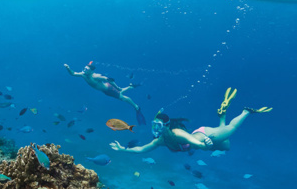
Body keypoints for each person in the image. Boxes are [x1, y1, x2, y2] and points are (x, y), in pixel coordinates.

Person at [109, 88, 272, 153]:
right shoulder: (160, 140)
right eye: (154, 125)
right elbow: (142, 149)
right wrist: (123, 149)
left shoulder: (176, 132)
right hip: (202, 138)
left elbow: (193, 141)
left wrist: (204, 145)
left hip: (206, 135)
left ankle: (245, 112)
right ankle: (222, 114)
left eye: (158, 126)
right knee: (227, 146)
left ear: (166, 125)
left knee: (231, 128)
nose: (155, 129)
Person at [64, 61, 146, 125]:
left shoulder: (95, 76)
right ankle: (130, 87)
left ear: (91, 71)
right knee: (119, 94)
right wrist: (68, 68)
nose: (84, 70)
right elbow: (73, 73)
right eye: (84, 68)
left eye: (87, 69)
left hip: (109, 89)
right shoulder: (83, 74)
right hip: (106, 90)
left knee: (121, 97)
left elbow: (108, 79)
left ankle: (136, 106)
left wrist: (117, 87)